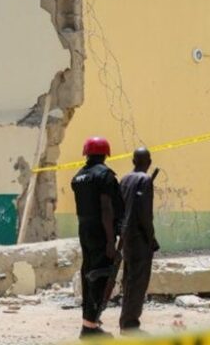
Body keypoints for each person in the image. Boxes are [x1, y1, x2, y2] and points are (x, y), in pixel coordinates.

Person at [71, 136, 124, 339]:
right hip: (102, 230)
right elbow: (106, 209)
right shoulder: (105, 176)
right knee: (101, 274)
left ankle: (89, 322)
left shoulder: (78, 177)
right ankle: (90, 327)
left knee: (88, 272)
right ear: (104, 154)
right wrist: (111, 240)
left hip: (84, 230)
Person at [119, 147, 159, 334]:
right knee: (138, 282)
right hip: (139, 238)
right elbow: (145, 214)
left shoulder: (125, 179)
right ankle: (130, 323)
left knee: (129, 279)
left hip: (126, 237)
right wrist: (151, 238)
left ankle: (126, 319)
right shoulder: (145, 180)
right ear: (148, 161)